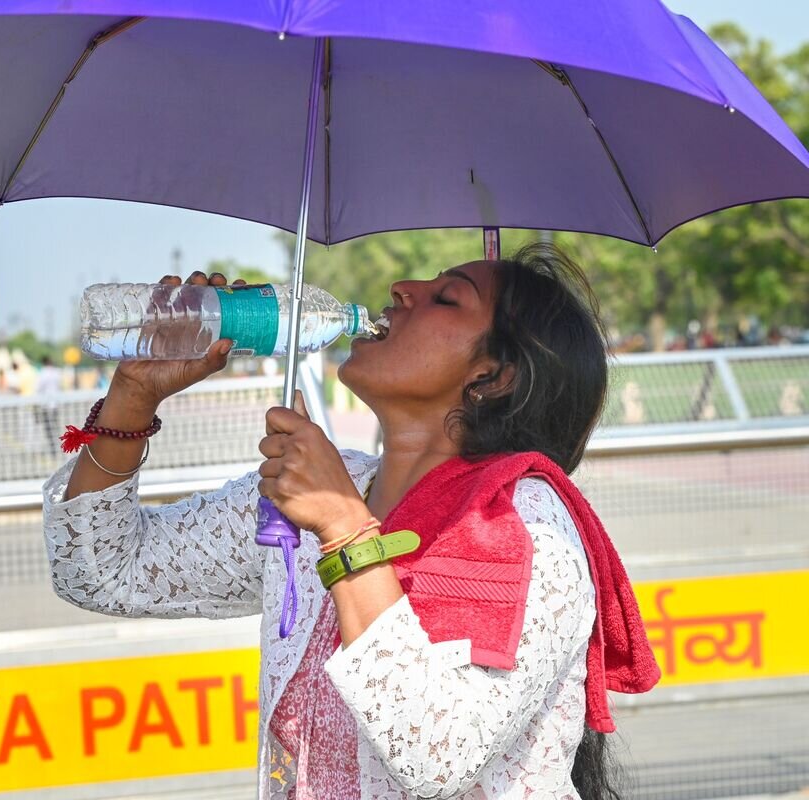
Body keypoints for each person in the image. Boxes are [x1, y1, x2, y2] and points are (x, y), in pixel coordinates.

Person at [42, 254, 659, 799]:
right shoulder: (313, 495)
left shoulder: (518, 519)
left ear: (491, 377)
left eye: (446, 297)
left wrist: (343, 526)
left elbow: (437, 754)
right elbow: (100, 573)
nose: (401, 288)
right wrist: (133, 397)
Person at [35, 356, 62, 454]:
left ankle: (53, 448)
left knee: (48, 428)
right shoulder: (56, 372)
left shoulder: (43, 373)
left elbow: (38, 388)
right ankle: (59, 446)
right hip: (55, 404)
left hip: (46, 405)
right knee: (55, 426)